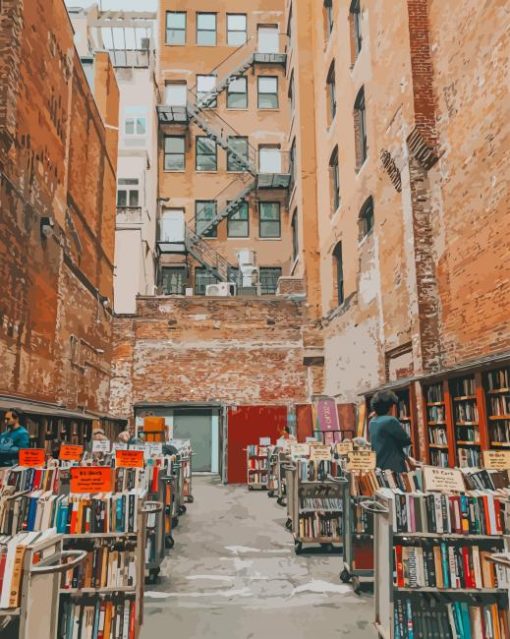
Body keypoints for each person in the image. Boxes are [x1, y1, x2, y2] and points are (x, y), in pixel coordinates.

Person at [369, 390, 412, 473]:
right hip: (394, 466)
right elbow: (406, 441)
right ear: (389, 407)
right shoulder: (391, 420)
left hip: (378, 465)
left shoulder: (372, 422)